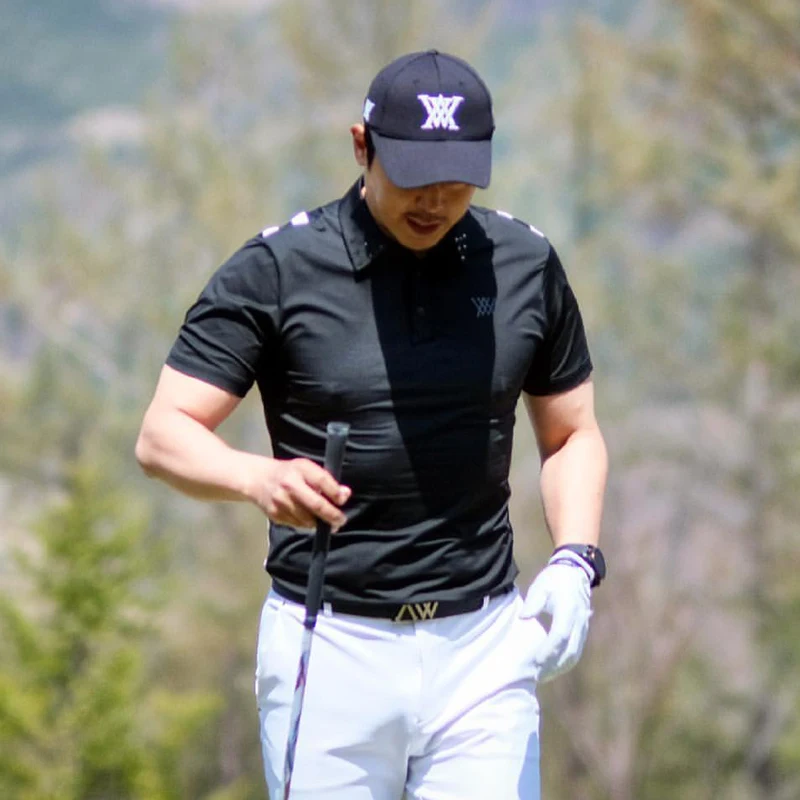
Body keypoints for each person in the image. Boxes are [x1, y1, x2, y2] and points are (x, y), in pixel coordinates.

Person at [136, 49, 608, 800]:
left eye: (457, 181)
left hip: (483, 647)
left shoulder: (523, 263)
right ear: (362, 146)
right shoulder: (277, 268)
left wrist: (575, 560)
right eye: (415, 176)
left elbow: (572, 433)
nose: (435, 201)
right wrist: (257, 478)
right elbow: (163, 433)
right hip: (328, 649)